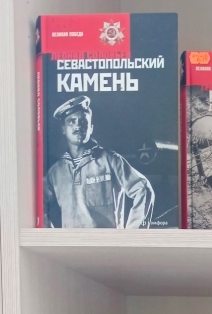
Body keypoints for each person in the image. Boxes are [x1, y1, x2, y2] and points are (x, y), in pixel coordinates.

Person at [44, 95, 154, 228]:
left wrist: (133, 233)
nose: (78, 125)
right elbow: (36, 202)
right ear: (63, 129)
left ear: (91, 128)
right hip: (71, 241)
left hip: (106, 241)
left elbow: (143, 189)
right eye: (71, 121)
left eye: (83, 121)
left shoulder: (110, 160)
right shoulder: (55, 172)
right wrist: (48, 233)